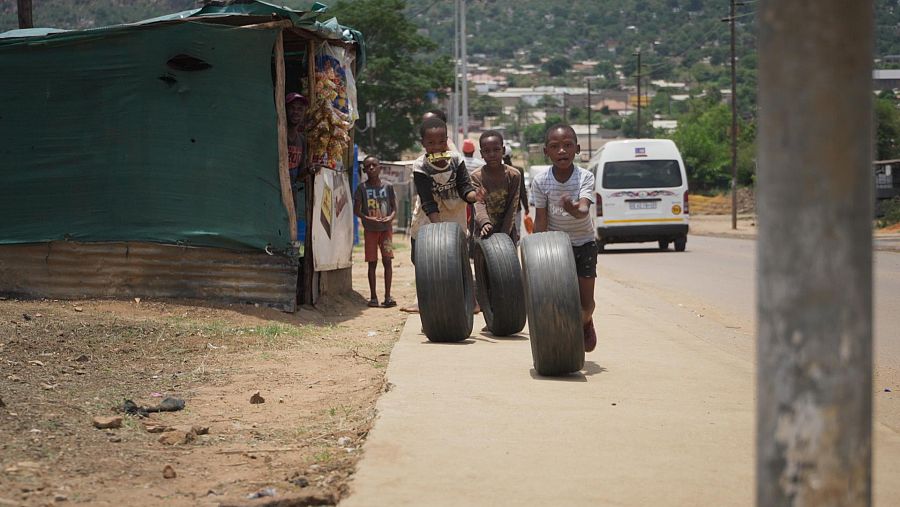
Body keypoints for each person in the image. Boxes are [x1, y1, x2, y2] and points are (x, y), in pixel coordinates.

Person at [531, 124, 599, 352]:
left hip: (585, 244)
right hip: (556, 248)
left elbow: (583, 211)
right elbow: (540, 219)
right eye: (555, 146)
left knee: (586, 304)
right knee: (557, 301)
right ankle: (564, 340)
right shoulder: (541, 181)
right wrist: (535, 253)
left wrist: (572, 208)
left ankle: (586, 321)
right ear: (546, 151)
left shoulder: (585, 178)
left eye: (568, 145)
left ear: (577, 149)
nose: (562, 151)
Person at [354, 155, 397, 308]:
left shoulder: (388, 187)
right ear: (364, 170)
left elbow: (394, 209)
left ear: (380, 168)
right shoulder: (362, 188)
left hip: (386, 230)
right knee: (372, 263)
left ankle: (387, 296)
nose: (371, 168)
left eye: (374, 165)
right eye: (368, 166)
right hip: (370, 231)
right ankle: (373, 297)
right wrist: (368, 219)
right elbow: (356, 210)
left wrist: (390, 218)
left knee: (387, 261)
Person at [471, 131, 521, 244]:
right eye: (487, 151)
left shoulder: (513, 175)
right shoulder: (476, 176)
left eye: (496, 150)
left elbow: (512, 206)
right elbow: (478, 203)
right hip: (483, 230)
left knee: (506, 260)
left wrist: (504, 234)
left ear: (503, 150)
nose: (492, 154)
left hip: (507, 231)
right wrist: (485, 222)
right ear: (481, 154)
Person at [503, 144, 530, 238]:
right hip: (516, 209)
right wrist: (526, 207)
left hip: (502, 209)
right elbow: (522, 190)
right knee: (517, 234)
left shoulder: (497, 171)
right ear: (510, 156)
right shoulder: (518, 170)